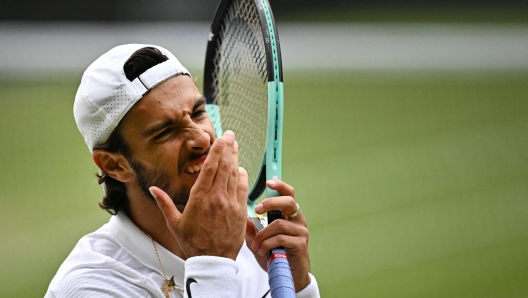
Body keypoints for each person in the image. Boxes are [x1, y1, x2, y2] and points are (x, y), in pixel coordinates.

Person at [45, 44, 320, 298]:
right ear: (114, 165)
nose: (201, 138)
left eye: (198, 113)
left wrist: (297, 286)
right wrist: (214, 265)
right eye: (165, 132)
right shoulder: (88, 287)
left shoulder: (250, 245)